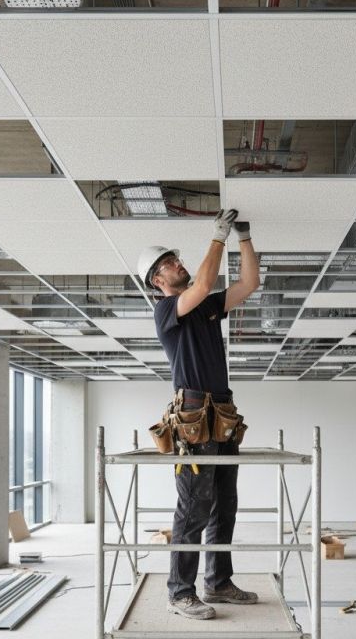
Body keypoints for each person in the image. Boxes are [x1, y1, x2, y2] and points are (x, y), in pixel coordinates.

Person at [137, 208, 261, 621]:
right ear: (158, 280)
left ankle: (218, 582)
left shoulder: (206, 307)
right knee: (192, 509)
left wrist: (243, 237)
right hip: (193, 415)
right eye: (170, 263)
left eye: (176, 258)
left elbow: (249, 283)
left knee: (225, 504)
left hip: (222, 414)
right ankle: (179, 592)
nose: (178, 264)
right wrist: (217, 236)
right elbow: (206, 279)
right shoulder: (167, 311)